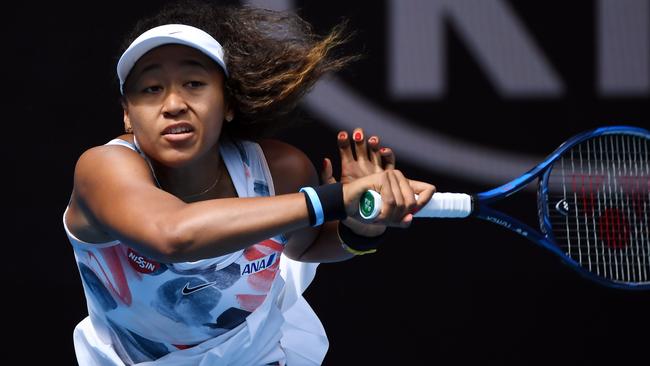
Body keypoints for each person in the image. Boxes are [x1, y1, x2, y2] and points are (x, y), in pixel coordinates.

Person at [63, 1, 435, 365]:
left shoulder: (279, 170)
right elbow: (172, 235)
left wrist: (361, 226)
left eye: (194, 84)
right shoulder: (104, 169)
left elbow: (304, 249)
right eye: (151, 89)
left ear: (227, 103)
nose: (174, 103)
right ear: (127, 114)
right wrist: (335, 198)